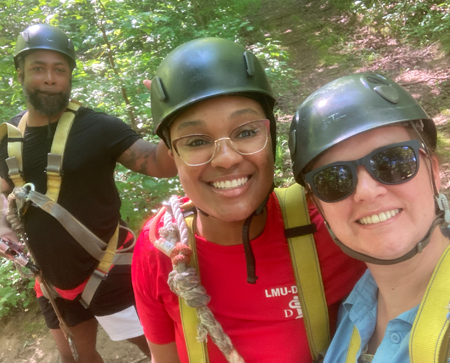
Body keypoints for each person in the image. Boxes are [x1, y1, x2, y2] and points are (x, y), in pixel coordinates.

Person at [131, 37, 366, 363]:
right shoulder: (160, 249)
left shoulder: (329, 223)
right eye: (196, 141)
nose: (226, 159)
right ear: (172, 154)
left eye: (245, 132)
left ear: (270, 137)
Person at [0, 24, 177, 363]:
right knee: (79, 356)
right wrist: (2, 226)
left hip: (109, 269)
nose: (50, 78)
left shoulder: (98, 127)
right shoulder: (9, 137)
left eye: (59, 69)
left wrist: (173, 116)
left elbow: (159, 164)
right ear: (20, 72)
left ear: (69, 76)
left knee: (158, 348)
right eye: (38, 68)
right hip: (52, 279)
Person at [289, 72, 450, 362]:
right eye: (333, 179)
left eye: (394, 161)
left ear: (434, 172)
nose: (366, 191)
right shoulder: (352, 314)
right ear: (318, 206)